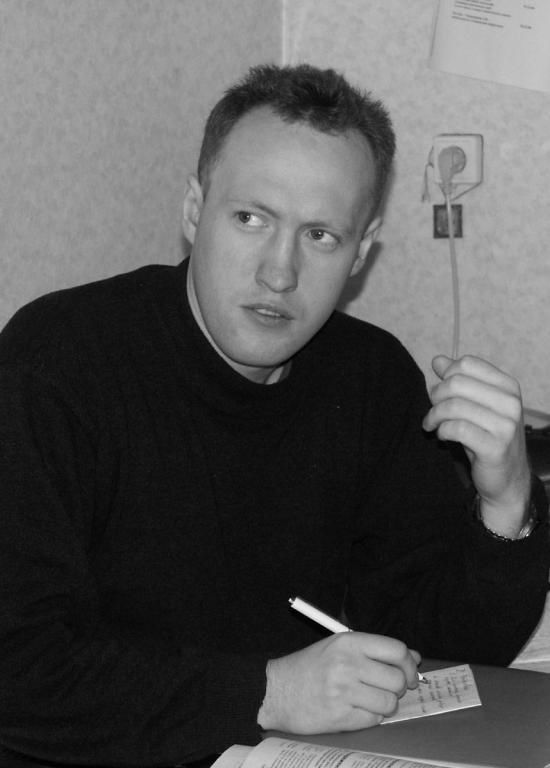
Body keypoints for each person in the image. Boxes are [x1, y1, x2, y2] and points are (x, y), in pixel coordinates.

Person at [0, 63, 547, 768]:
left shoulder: (370, 377)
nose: (279, 273)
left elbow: (442, 653)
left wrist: (507, 503)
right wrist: (266, 693)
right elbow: (18, 669)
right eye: (251, 219)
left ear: (363, 249)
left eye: (321, 235)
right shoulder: (56, 367)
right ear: (194, 210)